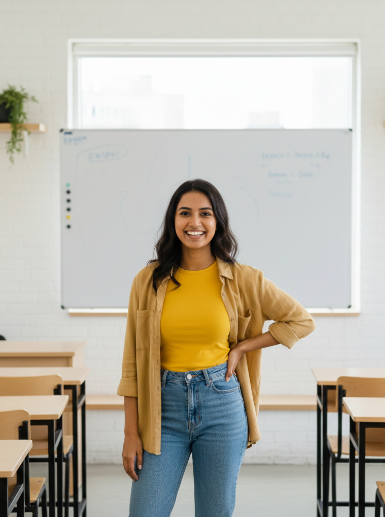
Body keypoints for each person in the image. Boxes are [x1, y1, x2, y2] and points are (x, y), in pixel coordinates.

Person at [118, 179, 315, 517]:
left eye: (205, 214)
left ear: (218, 221)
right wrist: (130, 433)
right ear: (173, 221)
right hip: (163, 409)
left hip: (222, 404)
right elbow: (131, 366)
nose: (195, 223)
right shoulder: (147, 281)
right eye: (185, 213)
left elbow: (300, 321)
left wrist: (242, 348)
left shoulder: (245, 279)